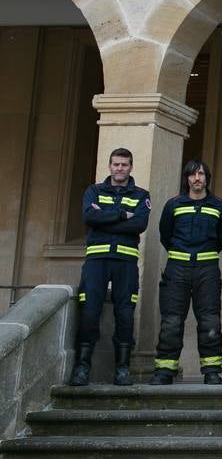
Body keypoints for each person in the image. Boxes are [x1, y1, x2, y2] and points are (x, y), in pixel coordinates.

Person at [69, 148, 152, 387]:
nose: (119, 169)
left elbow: (140, 224)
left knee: (125, 314)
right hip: (96, 261)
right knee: (89, 311)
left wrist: (106, 217)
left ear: (131, 167)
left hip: (125, 262)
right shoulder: (94, 191)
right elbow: (89, 218)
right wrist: (122, 215)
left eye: (124, 165)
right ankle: (82, 367)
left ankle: (122, 369)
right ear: (109, 166)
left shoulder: (141, 194)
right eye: (116, 164)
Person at [151, 160, 222, 385]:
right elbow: (166, 235)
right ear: (186, 179)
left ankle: (212, 371)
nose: (197, 179)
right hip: (177, 270)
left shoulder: (219, 206)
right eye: (193, 175)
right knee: (172, 321)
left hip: (207, 270)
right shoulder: (173, 205)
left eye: (202, 174)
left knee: (210, 320)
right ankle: (165, 371)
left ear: (207, 178)